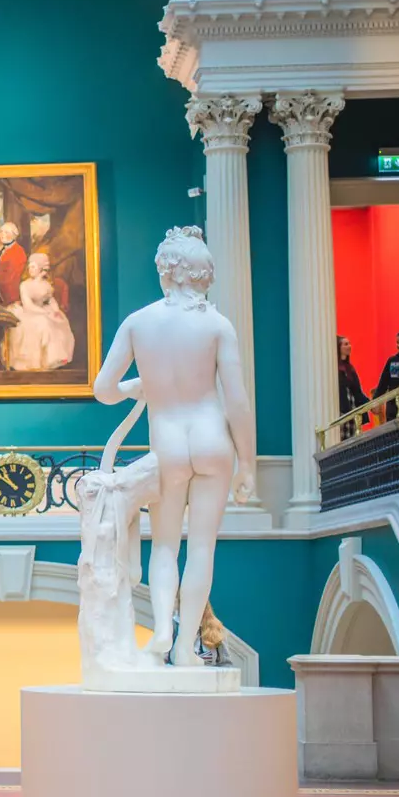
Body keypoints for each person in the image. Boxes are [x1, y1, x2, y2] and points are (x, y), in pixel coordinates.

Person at [93, 227, 255, 664]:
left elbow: (103, 390)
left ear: (166, 272)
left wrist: (137, 386)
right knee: (202, 547)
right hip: (211, 440)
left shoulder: (138, 323)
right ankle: (186, 648)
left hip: (166, 443)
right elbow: (237, 401)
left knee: (165, 545)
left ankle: (162, 629)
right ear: (203, 274)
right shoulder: (219, 326)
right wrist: (248, 464)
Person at [4, 252, 76, 372]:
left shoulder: (46, 285)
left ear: (41, 269)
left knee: (60, 321)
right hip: (29, 313)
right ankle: (36, 362)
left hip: (43, 310)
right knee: (43, 323)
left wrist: (55, 310)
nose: (30, 269)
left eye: (33, 266)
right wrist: (45, 313)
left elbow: (50, 300)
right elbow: (28, 305)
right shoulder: (25, 285)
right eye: (29, 266)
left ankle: (55, 359)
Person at [0, 221, 28, 310]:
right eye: (1, 232)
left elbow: (7, 276)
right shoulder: (5, 249)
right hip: (0, 294)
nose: (2, 235)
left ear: (14, 235)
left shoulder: (18, 251)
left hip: (10, 296)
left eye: (6, 232)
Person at [337, 336, 370, 436]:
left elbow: (357, 392)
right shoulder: (335, 369)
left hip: (352, 412)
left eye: (349, 343)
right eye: (345, 344)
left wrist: (370, 404)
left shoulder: (350, 369)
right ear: (338, 347)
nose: (349, 346)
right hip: (342, 413)